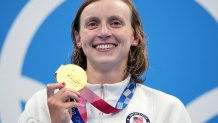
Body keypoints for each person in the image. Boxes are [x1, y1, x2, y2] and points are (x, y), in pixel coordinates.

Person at [18, 0, 192, 123]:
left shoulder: (167, 109)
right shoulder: (42, 105)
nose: (103, 32)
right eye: (92, 24)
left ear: (135, 37)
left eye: (115, 23)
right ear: (78, 39)